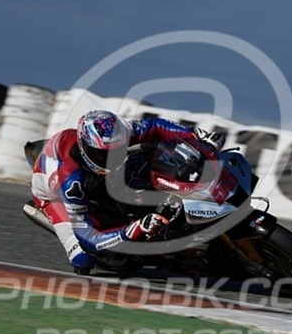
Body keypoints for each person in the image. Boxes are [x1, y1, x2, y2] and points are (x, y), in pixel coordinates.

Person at [29, 110, 225, 275]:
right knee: (84, 259)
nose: (113, 158)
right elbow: (88, 238)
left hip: (96, 172)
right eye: (106, 155)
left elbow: (156, 126)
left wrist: (195, 134)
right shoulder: (71, 182)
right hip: (54, 198)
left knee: (152, 152)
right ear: (86, 148)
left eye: (118, 150)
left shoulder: (117, 133)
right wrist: (134, 229)